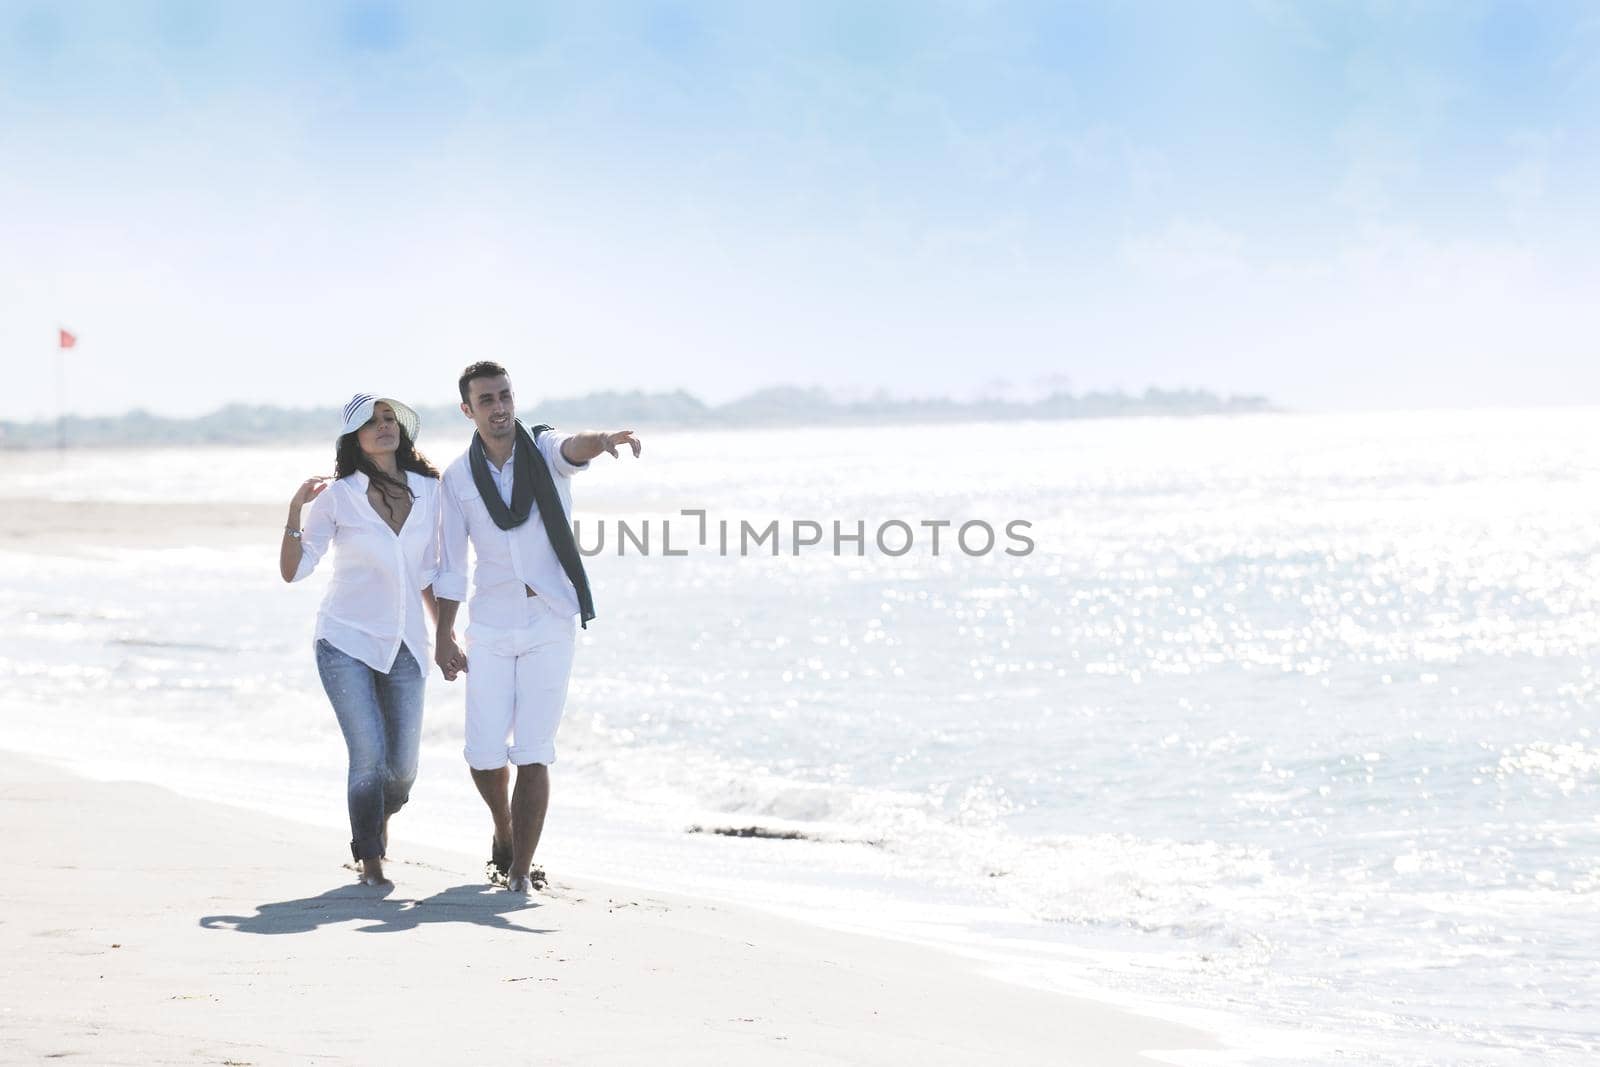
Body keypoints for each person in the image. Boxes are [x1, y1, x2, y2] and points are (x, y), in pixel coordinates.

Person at [434, 361, 641, 894]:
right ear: (468, 410)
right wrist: (444, 634)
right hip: (493, 623)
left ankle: (521, 873)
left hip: (549, 617)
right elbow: (451, 565)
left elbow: (574, 447)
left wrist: (604, 439)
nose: (500, 407)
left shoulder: (542, 449)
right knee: (482, 753)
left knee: (533, 749)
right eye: (487, 400)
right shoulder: (457, 479)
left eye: (505, 395)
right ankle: (503, 831)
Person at [280, 394, 443, 888]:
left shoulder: (430, 490)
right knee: (368, 755)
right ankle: (369, 858)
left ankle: (377, 820)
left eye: (389, 419)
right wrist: (294, 509)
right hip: (344, 642)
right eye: (371, 423)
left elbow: (431, 573)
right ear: (355, 437)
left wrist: (448, 635)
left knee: (403, 771)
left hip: (407, 646)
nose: (383, 427)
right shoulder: (337, 496)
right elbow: (295, 571)